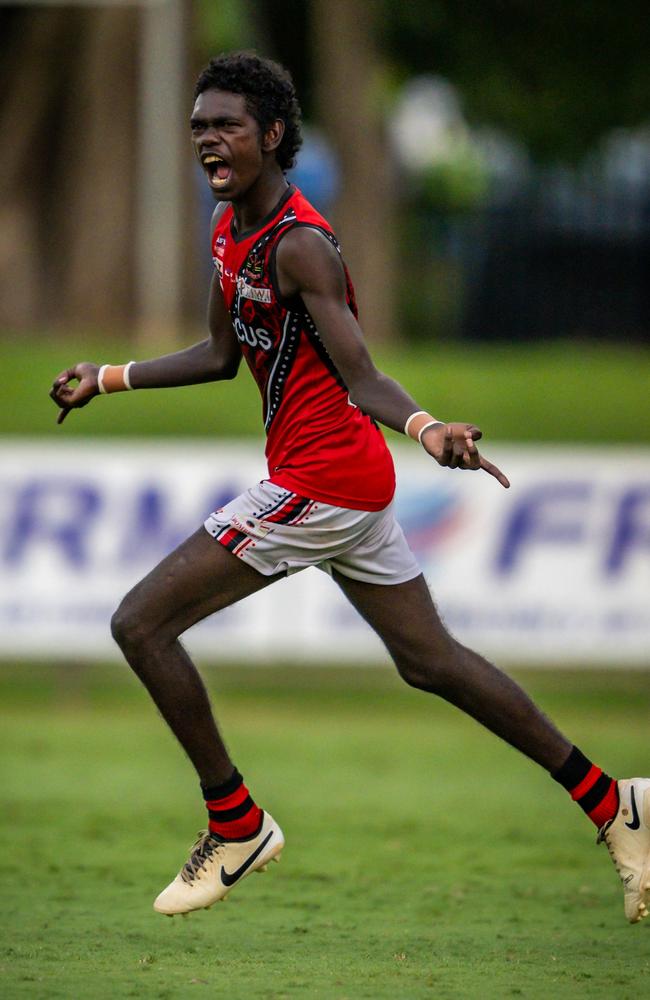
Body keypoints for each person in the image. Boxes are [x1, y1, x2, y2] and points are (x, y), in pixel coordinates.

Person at [50, 52, 649, 923]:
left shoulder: (301, 243)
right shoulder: (227, 229)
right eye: (198, 128)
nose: (208, 142)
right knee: (431, 663)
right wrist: (108, 377)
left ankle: (237, 821)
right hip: (339, 487)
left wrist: (428, 428)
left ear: (273, 135)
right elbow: (221, 356)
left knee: (139, 623)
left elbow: (361, 372)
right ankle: (614, 803)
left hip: (322, 484)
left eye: (225, 126)